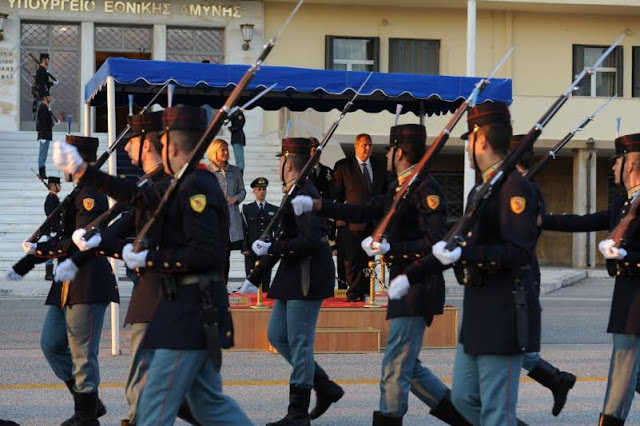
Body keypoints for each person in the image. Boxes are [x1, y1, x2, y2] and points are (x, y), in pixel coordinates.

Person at [56, 105, 250, 425]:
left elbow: (207, 256)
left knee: (153, 406)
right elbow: (138, 197)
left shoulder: (196, 186)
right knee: (209, 406)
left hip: (190, 312)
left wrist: (150, 258)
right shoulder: (183, 183)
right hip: (187, 310)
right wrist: (85, 172)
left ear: (171, 146)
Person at [291, 124, 470, 425]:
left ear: (399, 152)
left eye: (389, 149)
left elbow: (434, 243)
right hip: (404, 284)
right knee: (408, 369)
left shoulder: (426, 188)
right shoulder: (399, 185)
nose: (386, 154)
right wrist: (318, 204)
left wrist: (391, 248)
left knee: (395, 366)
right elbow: (364, 211)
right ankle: (468, 418)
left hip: (417, 285)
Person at [399, 102, 540, 425]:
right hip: (478, 310)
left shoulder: (515, 188)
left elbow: (519, 252)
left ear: (482, 140)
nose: (467, 149)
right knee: (463, 400)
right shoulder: (481, 188)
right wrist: (413, 274)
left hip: (504, 311)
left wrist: (468, 255)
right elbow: (456, 240)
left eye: (469, 141)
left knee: (496, 410)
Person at [239, 137, 342, 426]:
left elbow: (309, 240)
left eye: (280, 160)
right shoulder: (293, 190)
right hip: (293, 273)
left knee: (300, 343)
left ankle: (298, 414)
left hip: (307, 274)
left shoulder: (303, 193)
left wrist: (273, 249)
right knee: (277, 336)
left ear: (288, 164)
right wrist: (255, 276)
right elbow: (285, 239)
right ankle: (323, 384)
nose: (278, 165)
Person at [540, 133, 640, 425]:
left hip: (637, 302)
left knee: (622, 369)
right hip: (626, 296)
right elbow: (584, 221)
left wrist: (627, 257)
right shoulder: (624, 203)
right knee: (626, 370)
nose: (612, 168)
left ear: (631, 164)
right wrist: (541, 219)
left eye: (616, 162)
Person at [23, 134, 119, 426]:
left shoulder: (92, 193)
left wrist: (43, 249)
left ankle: (87, 416)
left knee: (83, 354)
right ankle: (89, 404)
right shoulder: (77, 191)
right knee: (51, 344)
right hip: (66, 281)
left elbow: (82, 242)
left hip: (87, 281)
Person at [510, 135, 577, 417]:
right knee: (510, 346)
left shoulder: (526, 190)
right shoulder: (517, 187)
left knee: (510, 347)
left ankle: (555, 379)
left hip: (519, 275)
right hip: (514, 275)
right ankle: (555, 379)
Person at [332, 133, 389, 301]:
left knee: (368, 262)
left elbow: (385, 193)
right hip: (351, 223)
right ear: (356, 146)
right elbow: (335, 194)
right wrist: (339, 215)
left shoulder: (380, 166)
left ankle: (365, 293)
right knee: (351, 262)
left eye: (370, 145)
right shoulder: (344, 166)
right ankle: (353, 295)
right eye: (364, 145)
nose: (367, 148)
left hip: (373, 224)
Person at [207, 138, 247, 283]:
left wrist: (235, 199)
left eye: (226, 149)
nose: (226, 152)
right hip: (214, 220)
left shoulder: (235, 171)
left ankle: (223, 285)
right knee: (214, 254)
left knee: (226, 255)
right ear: (214, 152)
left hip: (231, 219)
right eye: (222, 149)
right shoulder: (207, 172)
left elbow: (243, 191)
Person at [241, 177, 278, 292]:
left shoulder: (274, 209)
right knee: (251, 276)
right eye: (259, 189)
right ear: (254, 191)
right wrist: (244, 247)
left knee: (266, 277)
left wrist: (274, 247)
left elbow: (277, 231)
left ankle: (266, 300)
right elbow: (243, 229)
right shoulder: (247, 209)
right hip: (251, 249)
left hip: (267, 248)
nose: (262, 192)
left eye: (264, 189)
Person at [36, 94, 60, 179]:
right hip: (44, 135)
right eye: (49, 96)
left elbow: (47, 122)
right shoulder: (43, 107)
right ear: (45, 98)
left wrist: (53, 123)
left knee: (44, 154)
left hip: (46, 134)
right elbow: (41, 122)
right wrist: (42, 135)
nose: (50, 98)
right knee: (42, 154)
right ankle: (42, 173)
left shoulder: (45, 107)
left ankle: (42, 173)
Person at [44, 176, 62, 280]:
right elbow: (51, 215)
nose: (60, 187)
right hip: (52, 228)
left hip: (54, 228)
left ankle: (51, 273)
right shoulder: (51, 198)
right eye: (58, 185)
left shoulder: (53, 197)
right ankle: (48, 274)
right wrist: (55, 229)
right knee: (50, 251)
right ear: (53, 186)